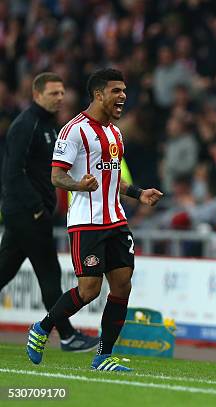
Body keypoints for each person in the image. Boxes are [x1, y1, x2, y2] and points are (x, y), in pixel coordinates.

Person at [25, 68, 163, 371]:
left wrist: (138, 193)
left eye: (124, 90)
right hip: (87, 222)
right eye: (116, 91)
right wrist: (78, 185)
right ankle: (43, 328)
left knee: (122, 286)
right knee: (89, 290)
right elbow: (57, 176)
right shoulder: (73, 130)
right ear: (98, 94)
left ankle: (102, 356)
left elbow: (113, 179)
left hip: (116, 220)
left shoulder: (115, 133)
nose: (123, 96)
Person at [0, 72, 99, 352]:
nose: (60, 98)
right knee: (49, 273)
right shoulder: (26, 125)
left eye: (62, 92)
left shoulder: (50, 126)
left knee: (5, 270)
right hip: (26, 212)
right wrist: (36, 209)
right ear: (36, 95)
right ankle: (67, 335)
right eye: (53, 93)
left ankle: (67, 335)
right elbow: (12, 173)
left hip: (30, 213)